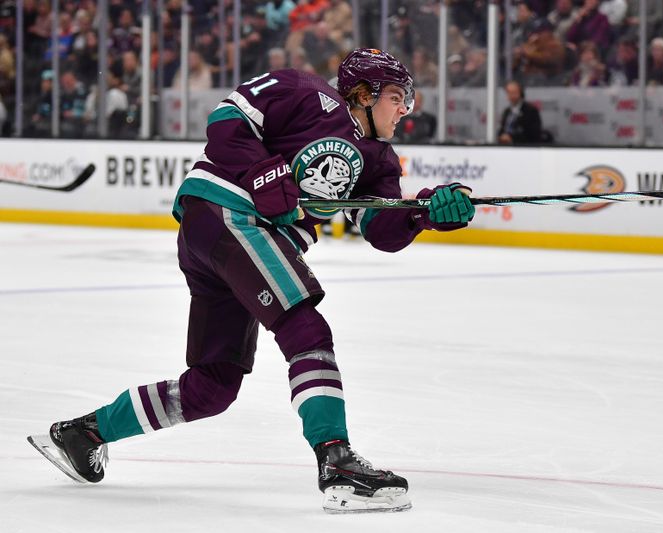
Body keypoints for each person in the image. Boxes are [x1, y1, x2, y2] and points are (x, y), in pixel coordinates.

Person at [28, 48, 475, 514]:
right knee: (305, 327)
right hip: (231, 213)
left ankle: (83, 434)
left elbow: (381, 229)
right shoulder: (305, 92)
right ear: (362, 94)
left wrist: (427, 211)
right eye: (397, 96)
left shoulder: (379, 161)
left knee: (212, 385)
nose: (405, 109)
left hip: (222, 236)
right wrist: (263, 173)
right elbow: (226, 120)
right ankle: (336, 461)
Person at [498, 80, 542, 144]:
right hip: (506, 149)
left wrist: (512, 138)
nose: (511, 95)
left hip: (524, 149)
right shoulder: (507, 111)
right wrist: (501, 137)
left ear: (520, 93)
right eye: (509, 93)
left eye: (514, 92)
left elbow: (533, 134)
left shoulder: (530, 111)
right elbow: (502, 130)